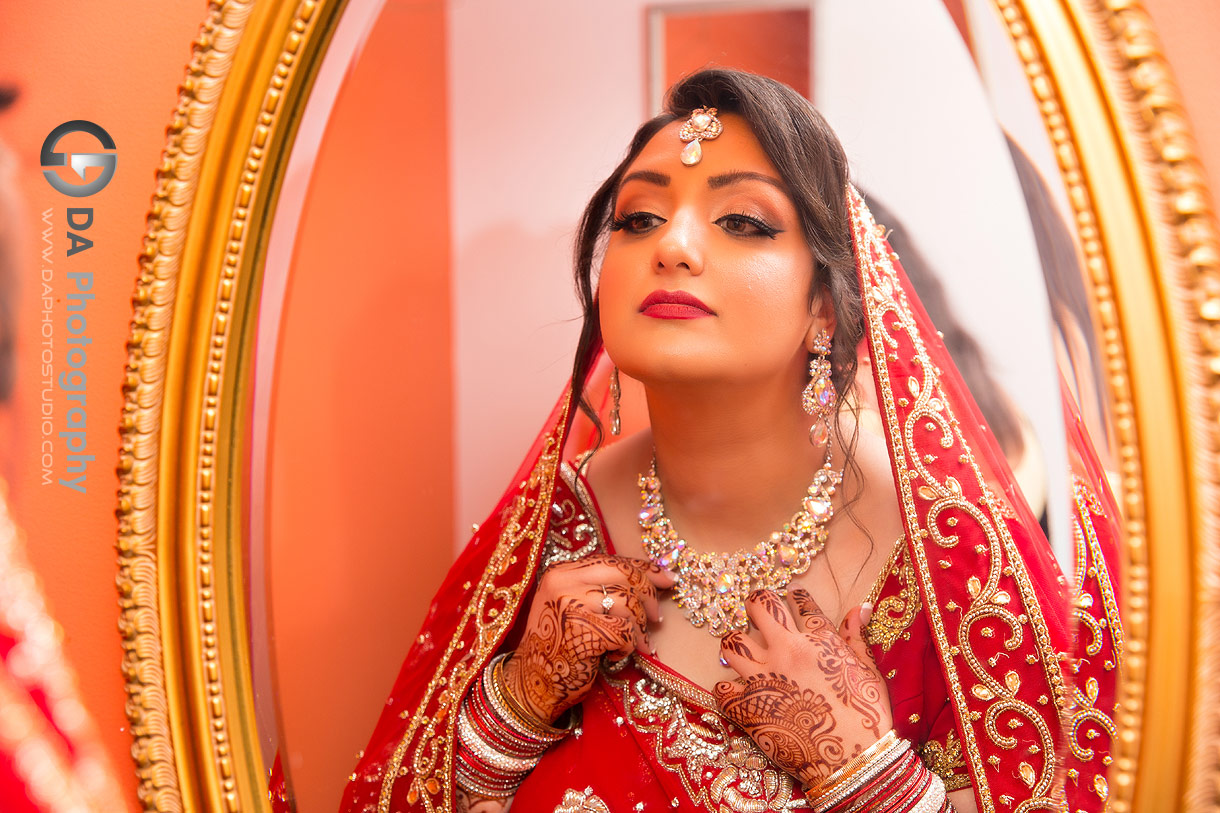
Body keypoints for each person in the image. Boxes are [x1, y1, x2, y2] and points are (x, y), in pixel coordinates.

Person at [340, 68, 1120, 813]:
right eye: (638, 217)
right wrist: (516, 700)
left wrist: (866, 775)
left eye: (744, 221)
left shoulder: (957, 557)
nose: (671, 246)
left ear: (827, 306)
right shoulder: (556, 528)